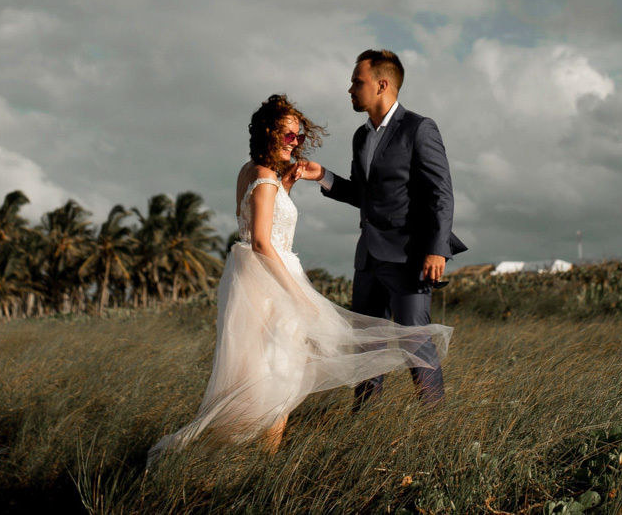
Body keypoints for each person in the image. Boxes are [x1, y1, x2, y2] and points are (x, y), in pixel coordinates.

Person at [148, 94, 450, 462]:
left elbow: (264, 224)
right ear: (268, 133)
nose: (295, 141)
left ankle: (250, 455)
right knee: (279, 372)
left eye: (298, 136)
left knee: (268, 370)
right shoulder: (262, 177)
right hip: (274, 282)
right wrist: (298, 292)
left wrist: (293, 185)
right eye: (288, 135)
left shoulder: (254, 172)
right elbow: (261, 240)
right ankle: (264, 462)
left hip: (258, 280)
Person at [293, 49, 467, 406]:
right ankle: (365, 422)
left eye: (358, 82)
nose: (350, 89)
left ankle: (434, 421)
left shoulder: (419, 128)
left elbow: (442, 193)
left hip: (410, 257)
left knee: (414, 340)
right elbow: (363, 196)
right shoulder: (361, 137)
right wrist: (322, 176)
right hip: (369, 258)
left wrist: (437, 249)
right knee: (365, 347)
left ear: (382, 84)